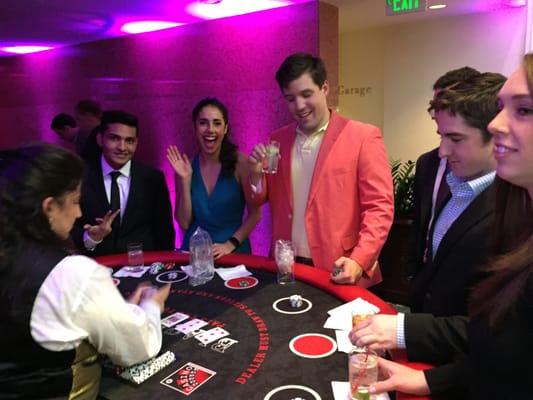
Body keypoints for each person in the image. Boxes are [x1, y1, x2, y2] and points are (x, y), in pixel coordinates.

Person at [350, 54, 533, 399]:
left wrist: (404, 329)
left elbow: (504, 340)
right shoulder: (463, 183)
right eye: (502, 108)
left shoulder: (512, 207)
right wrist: (429, 380)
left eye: (523, 110)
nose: (497, 125)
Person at [0, 144, 170, 399]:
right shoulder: (70, 273)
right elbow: (137, 347)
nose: (79, 212)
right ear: (49, 208)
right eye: (75, 201)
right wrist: (150, 307)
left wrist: (114, 308)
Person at [247, 53, 394, 287]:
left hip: (340, 266)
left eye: (306, 95)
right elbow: (259, 197)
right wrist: (255, 174)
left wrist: (359, 259)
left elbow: (379, 207)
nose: (299, 106)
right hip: (287, 265)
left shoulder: (362, 136)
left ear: (324, 88)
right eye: (290, 98)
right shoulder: (278, 140)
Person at [408, 72, 506, 316]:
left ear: (497, 135)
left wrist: (403, 330)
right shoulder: (457, 184)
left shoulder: (515, 207)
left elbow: (495, 322)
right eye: (442, 136)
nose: (442, 151)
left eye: (455, 138)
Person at [408, 66, 480, 281]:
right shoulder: (427, 162)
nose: (439, 111)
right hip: (425, 276)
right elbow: (421, 221)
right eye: (435, 105)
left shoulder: (499, 180)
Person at [73, 110, 175, 256]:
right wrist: (91, 238)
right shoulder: (80, 177)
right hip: (95, 268)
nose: (122, 147)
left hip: (143, 270)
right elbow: (67, 230)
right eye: (114, 138)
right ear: (100, 139)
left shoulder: (153, 178)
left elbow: (164, 232)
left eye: (129, 141)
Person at [167, 98, 260, 258]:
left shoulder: (242, 163)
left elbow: (255, 214)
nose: (210, 129)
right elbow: (183, 223)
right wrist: (185, 180)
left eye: (217, 123)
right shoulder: (184, 167)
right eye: (203, 123)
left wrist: (230, 244)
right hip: (195, 255)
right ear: (195, 128)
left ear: (225, 128)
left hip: (233, 252)